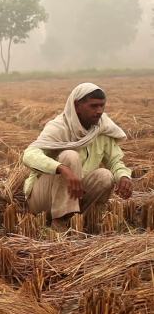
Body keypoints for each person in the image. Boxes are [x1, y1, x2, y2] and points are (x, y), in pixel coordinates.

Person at [22, 82, 133, 229]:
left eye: (102, 105)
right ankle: (60, 224)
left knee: (105, 176)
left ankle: (78, 223)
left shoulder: (101, 129)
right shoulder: (59, 127)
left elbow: (115, 161)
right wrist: (62, 168)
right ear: (77, 106)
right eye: (93, 106)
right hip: (44, 200)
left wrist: (123, 176)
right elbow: (29, 155)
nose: (99, 111)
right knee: (69, 156)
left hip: (76, 196)